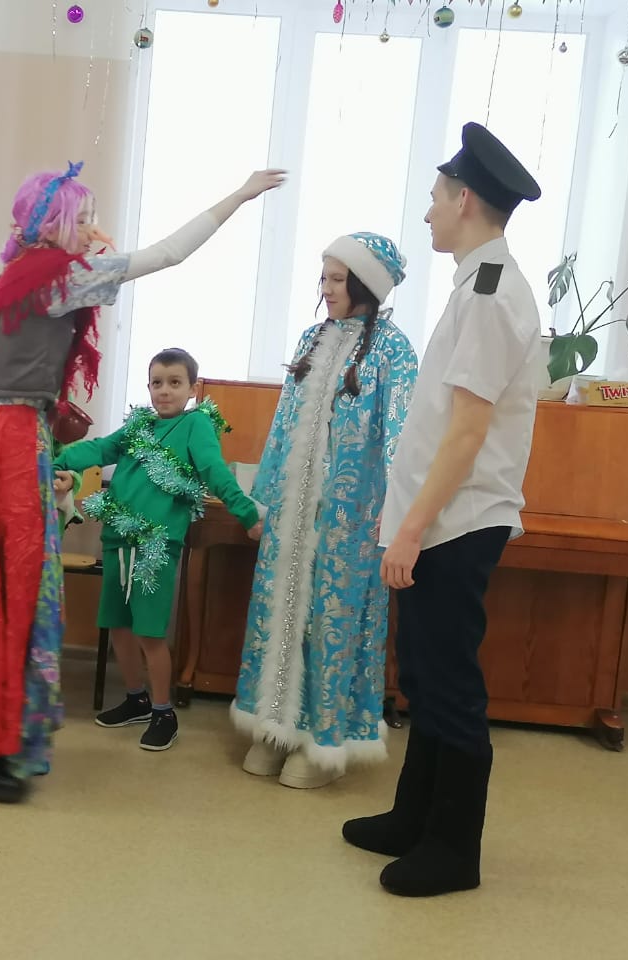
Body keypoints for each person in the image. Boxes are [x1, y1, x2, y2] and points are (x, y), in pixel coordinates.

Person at [0, 161, 286, 803]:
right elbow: (168, 254)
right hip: (13, 442)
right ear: (54, 225)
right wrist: (240, 195)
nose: (91, 228)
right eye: (81, 219)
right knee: (12, 591)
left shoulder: (6, 283)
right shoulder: (61, 280)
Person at [341, 122, 544, 897]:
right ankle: (414, 819)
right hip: (442, 519)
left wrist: (412, 530)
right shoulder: (475, 285)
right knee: (424, 677)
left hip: (457, 523)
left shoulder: (490, 296)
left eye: (434, 198)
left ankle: (454, 852)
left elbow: (466, 433)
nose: (427, 212)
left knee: (450, 684)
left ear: (464, 200)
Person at [232, 233, 418, 788]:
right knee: (281, 612)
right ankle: (276, 727)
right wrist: (265, 499)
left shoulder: (394, 350)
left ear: (365, 284)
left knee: (332, 622)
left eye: (337, 279)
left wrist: (398, 514)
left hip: (352, 520)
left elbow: (402, 437)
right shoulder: (311, 338)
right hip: (292, 516)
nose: (326, 288)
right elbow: (283, 425)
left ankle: (323, 739)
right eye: (325, 277)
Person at [54, 348, 262, 752]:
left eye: (174, 383)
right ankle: (137, 699)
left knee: (149, 632)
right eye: (157, 383)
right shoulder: (139, 426)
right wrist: (52, 459)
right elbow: (98, 450)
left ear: (192, 389)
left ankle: (164, 712)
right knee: (117, 625)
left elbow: (214, 471)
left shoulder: (195, 424)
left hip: (155, 545)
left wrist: (246, 512)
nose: (164, 391)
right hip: (118, 537)